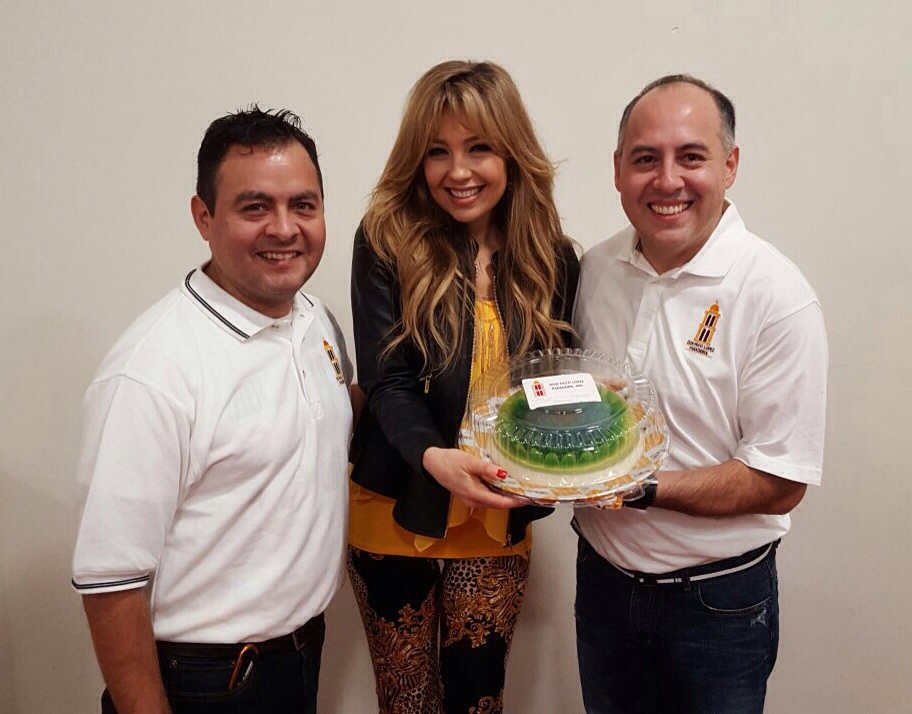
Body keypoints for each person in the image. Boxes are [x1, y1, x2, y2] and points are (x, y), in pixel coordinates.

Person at [71, 107, 353, 714]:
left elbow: (326, 422)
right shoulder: (153, 371)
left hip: (300, 655)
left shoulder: (314, 319)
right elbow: (111, 582)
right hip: (206, 682)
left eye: (303, 205)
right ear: (204, 217)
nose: (285, 228)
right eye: (255, 208)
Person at [572, 75, 828, 713]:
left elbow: (779, 480)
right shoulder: (594, 269)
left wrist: (639, 487)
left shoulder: (775, 295)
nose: (667, 181)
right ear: (617, 170)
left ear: (730, 165)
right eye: (645, 159)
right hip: (601, 586)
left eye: (691, 156)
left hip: (717, 608)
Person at [348, 60, 580, 714]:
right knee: (407, 700)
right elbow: (387, 379)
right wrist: (434, 456)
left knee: (478, 699)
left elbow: (546, 387)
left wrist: (586, 405)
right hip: (395, 503)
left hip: (497, 511)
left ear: (511, 153)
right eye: (437, 152)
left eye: (479, 147)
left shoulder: (554, 257)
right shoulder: (385, 240)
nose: (458, 171)